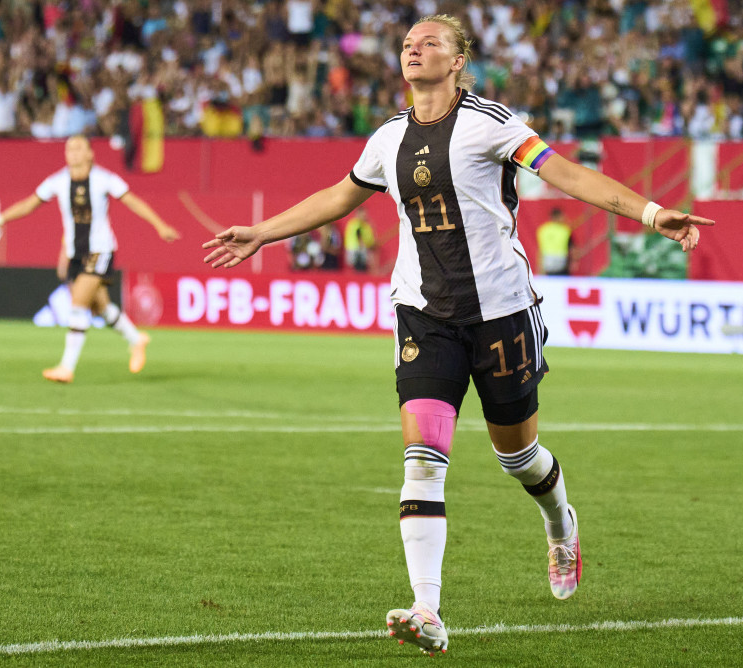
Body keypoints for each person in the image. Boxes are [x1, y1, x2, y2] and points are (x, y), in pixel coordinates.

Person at [202, 15, 713, 656]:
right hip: (424, 314)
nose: (414, 48)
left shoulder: (491, 123)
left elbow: (569, 176)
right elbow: (339, 197)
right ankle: (427, 607)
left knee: (517, 457)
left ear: (459, 60)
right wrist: (262, 232)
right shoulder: (388, 137)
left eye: (431, 42)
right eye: (408, 43)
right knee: (423, 457)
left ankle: (560, 521)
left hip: (501, 314)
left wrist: (652, 211)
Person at [0, 135, 180, 383]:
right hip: (76, 253)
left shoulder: (104, 179)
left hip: (100, 250)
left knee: (78, 303)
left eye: (78, 148)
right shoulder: (57, 181)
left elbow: (133, 201)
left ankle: (67, 367)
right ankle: (136, 339)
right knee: (100, 307)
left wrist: (159, 225)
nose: (73, 152)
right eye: (69, 148)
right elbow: (28, 205)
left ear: (90, 154)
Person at [535, 207, 572, 275]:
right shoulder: (565, 230)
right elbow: (570, 248)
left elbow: (540, 249)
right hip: (561, 261)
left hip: (547, 261)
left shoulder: (543, 229)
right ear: (557, 217)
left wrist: (539, 266)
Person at [343, 207, 378, 272]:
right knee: (358, 269)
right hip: (356, 250)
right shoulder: (355, 224)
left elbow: (371, 239)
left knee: (363, 269)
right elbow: (359, 236)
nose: (364, 216)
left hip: (363, 250)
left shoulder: (366, 226)